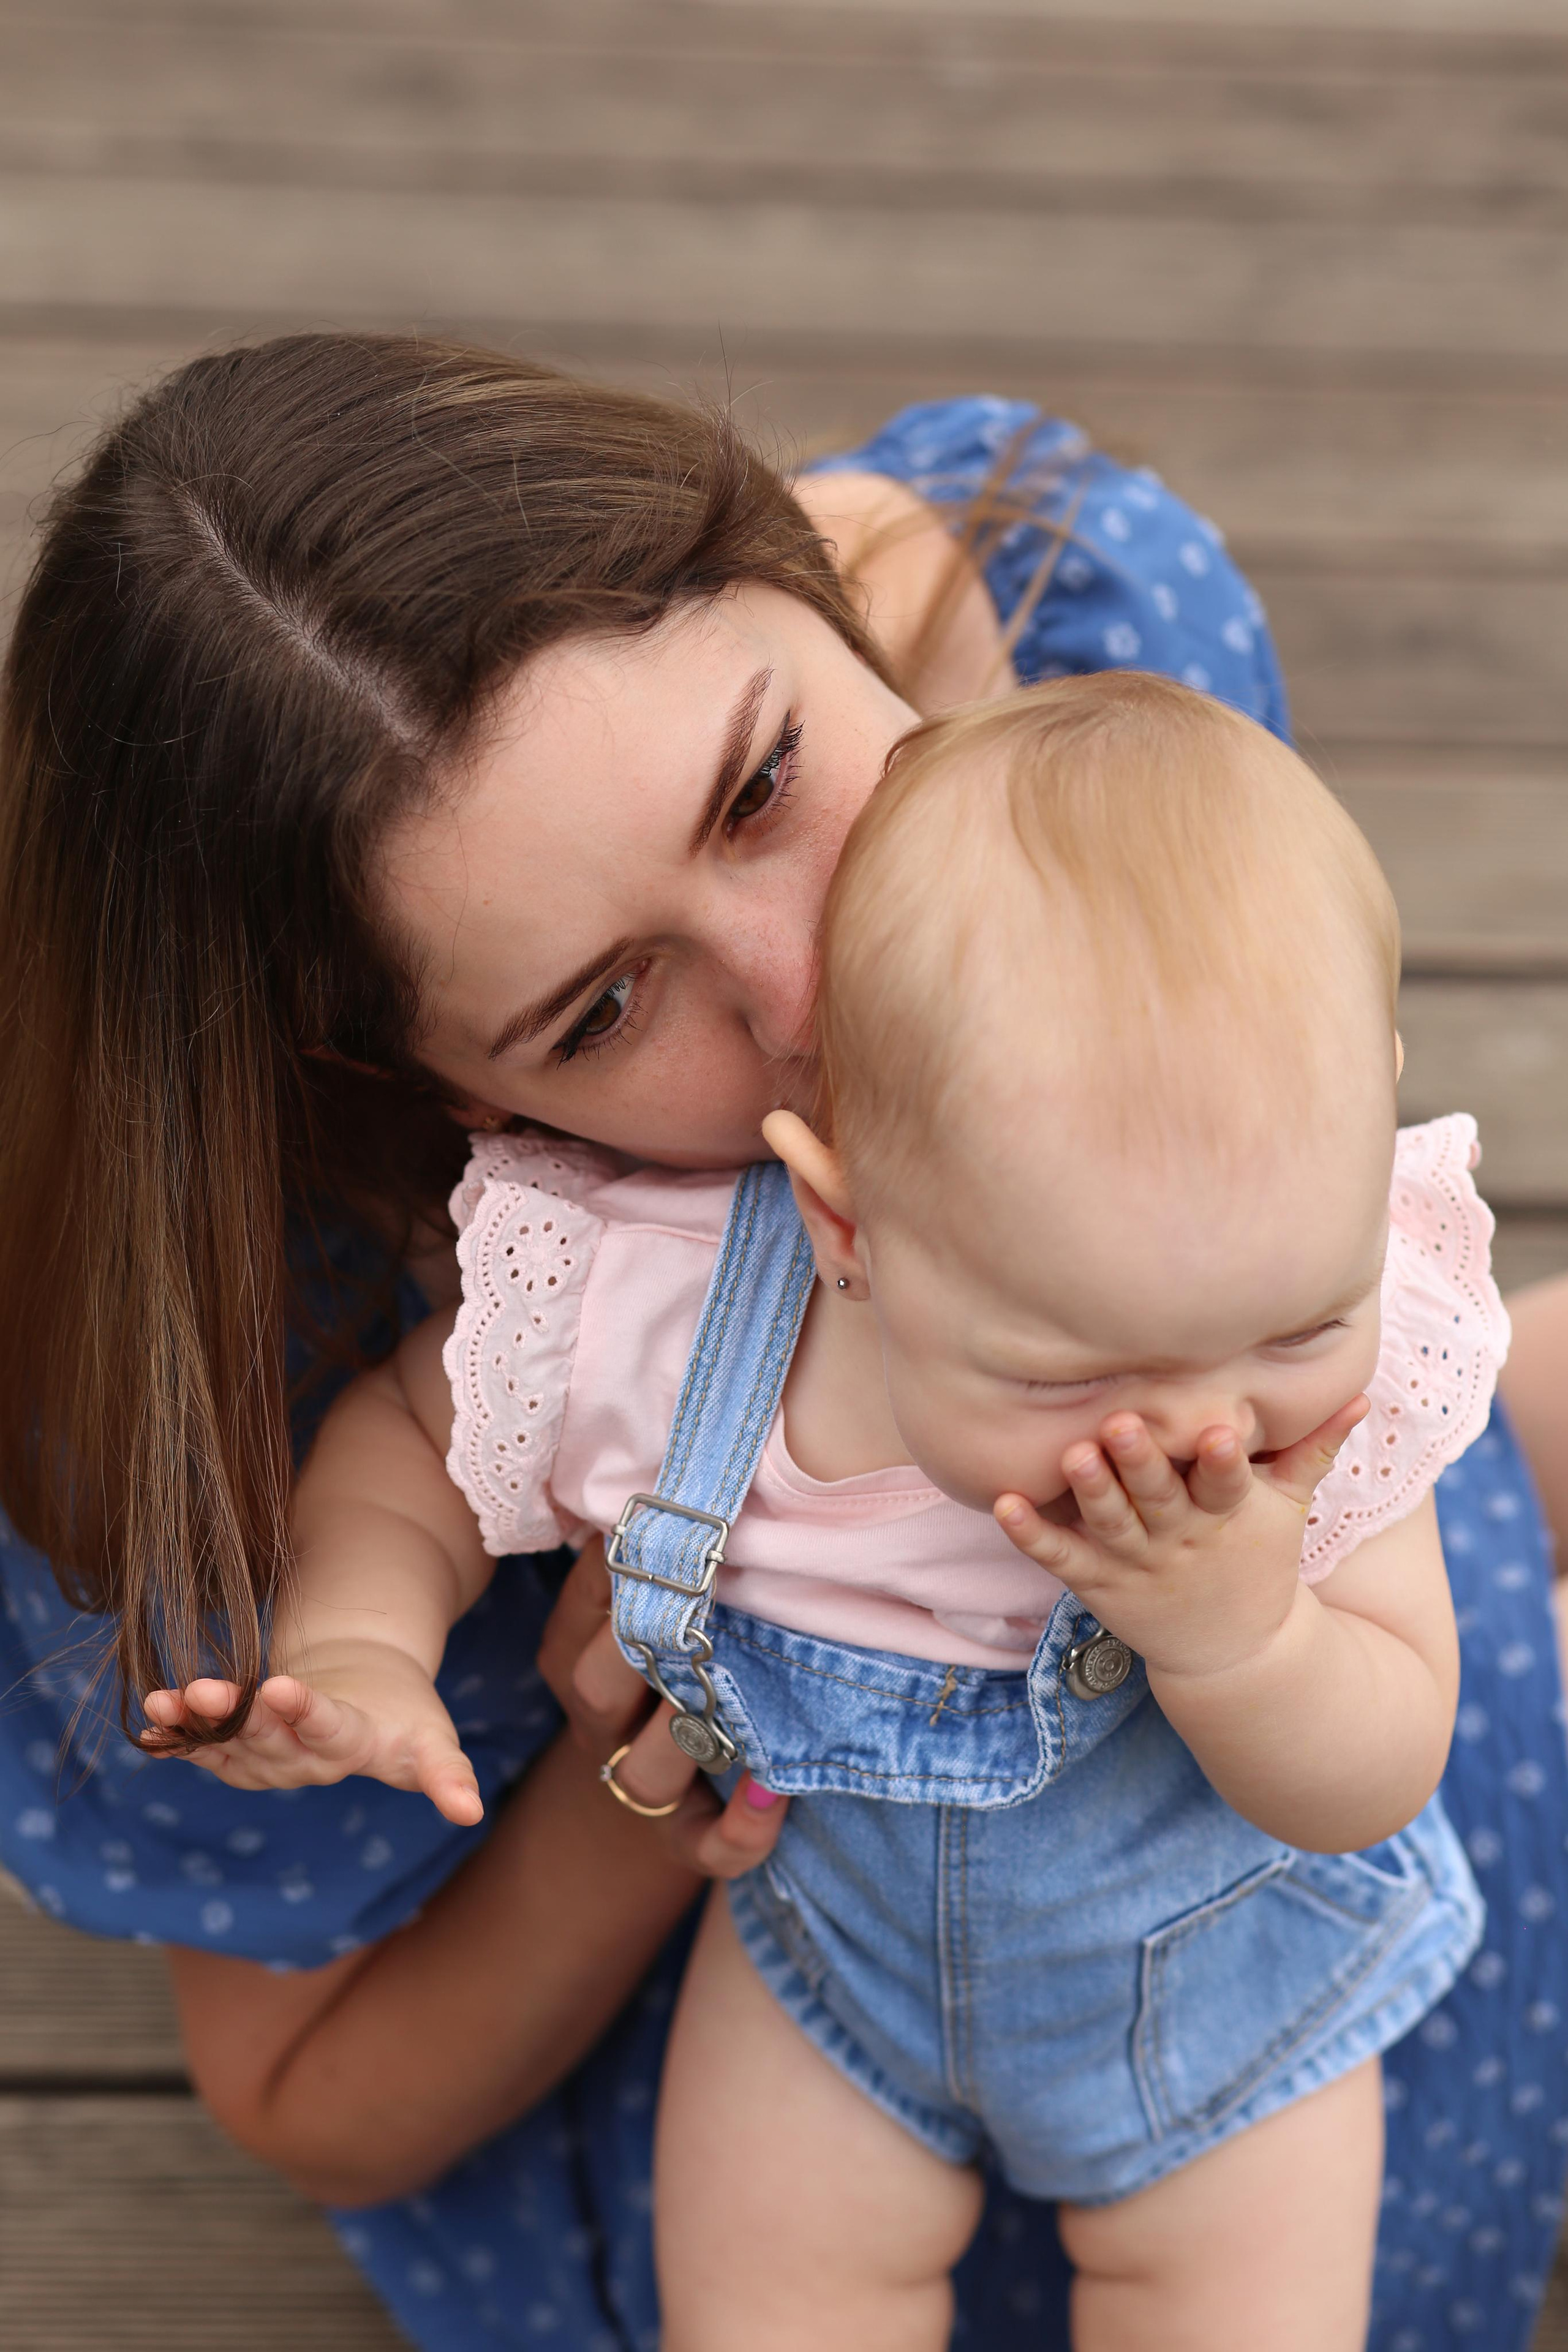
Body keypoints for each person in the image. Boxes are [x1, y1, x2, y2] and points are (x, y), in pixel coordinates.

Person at [0, 337, 1562, 2351]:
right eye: (602, 1014)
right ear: (412, 1091)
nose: (814, 990)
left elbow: (1331, 1403)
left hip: (1256, 1934)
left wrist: (1267, 1525)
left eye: (763, 782)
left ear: (797, 573)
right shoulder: (430, 1305)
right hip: (806, 1978)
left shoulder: (1086, 685)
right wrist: (571, 1723)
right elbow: (325, 2097)